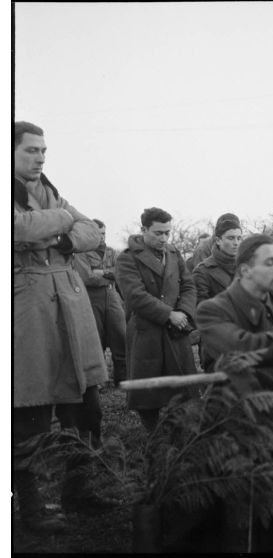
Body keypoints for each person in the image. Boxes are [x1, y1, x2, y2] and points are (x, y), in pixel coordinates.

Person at [13, 121, 109, 532]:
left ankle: (80, 492)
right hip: (28, 310)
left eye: (44, 151)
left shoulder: (50, 190)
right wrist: (63, 219)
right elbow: (18, 228)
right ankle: (30, 509)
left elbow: (91, 233)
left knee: (84, 406)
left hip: (71, 307)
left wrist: (64, 236)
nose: (40, 158)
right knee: (29, 413)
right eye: (32, 150)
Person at [196, 234, 273, 552]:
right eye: (270, 262)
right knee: (243, 512)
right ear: (244, 270)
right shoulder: (212, 310)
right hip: (238, 424)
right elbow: (242, 348)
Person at [115, 207, 198, 432]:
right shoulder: (127, 258)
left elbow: (189, 285)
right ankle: (151, 437)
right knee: (148, 393)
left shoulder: (174, 254)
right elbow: (135, 296)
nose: (164, 238)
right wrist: (169, 314)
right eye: (158, 233)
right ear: (143, 230)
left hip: (176, 330)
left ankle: (179, 435)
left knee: (181, 388)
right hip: (146, 331)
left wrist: (184, 313)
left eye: (167, 233)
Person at [73, 219, 127, 386]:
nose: (102, 237)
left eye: (104, 233)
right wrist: (109, 275)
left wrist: (102, 273)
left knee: (120, 333)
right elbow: (87, 277)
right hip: (90, 297)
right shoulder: (80, 252)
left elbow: (121, 273)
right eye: (98, 234)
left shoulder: (111, 251)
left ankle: (123, 378)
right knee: (96, 337)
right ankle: (98, 381)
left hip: (111, 295)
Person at [192, 218, 242, 305]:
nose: (236, 243)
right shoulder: (203, 271)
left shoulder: (248, 266)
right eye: (231, 238)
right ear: (218, 240)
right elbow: (202, 309)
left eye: (239, 238)